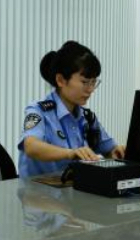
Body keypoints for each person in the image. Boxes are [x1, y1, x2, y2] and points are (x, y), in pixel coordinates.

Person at [18, 41, 125, 178]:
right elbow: (31, 146)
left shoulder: (87, 118)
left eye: (94, 82)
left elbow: (109, 149)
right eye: (85, 82)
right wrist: (70, 153)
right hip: (37, 195)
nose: (90, 89)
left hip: (74, 193)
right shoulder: (39, 111)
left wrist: (117, 151)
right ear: (61, 80)